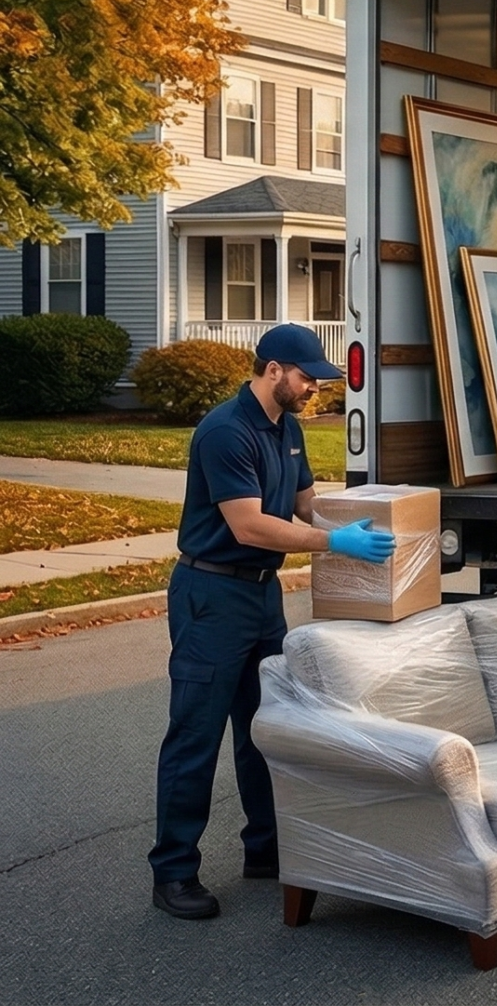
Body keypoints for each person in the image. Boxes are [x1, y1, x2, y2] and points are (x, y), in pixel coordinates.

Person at [151, 325, 394, 921]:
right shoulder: (225, 432)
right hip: (211, 593)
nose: (314, 389)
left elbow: (305, 503)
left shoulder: (287, 429)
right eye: (307, 377)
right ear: (274, 370)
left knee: (269, 728)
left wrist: (359, 519)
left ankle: (266, 849)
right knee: (196, 735)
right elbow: (250, 526)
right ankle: (174, 872)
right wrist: (333, 543)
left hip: (261, 598)